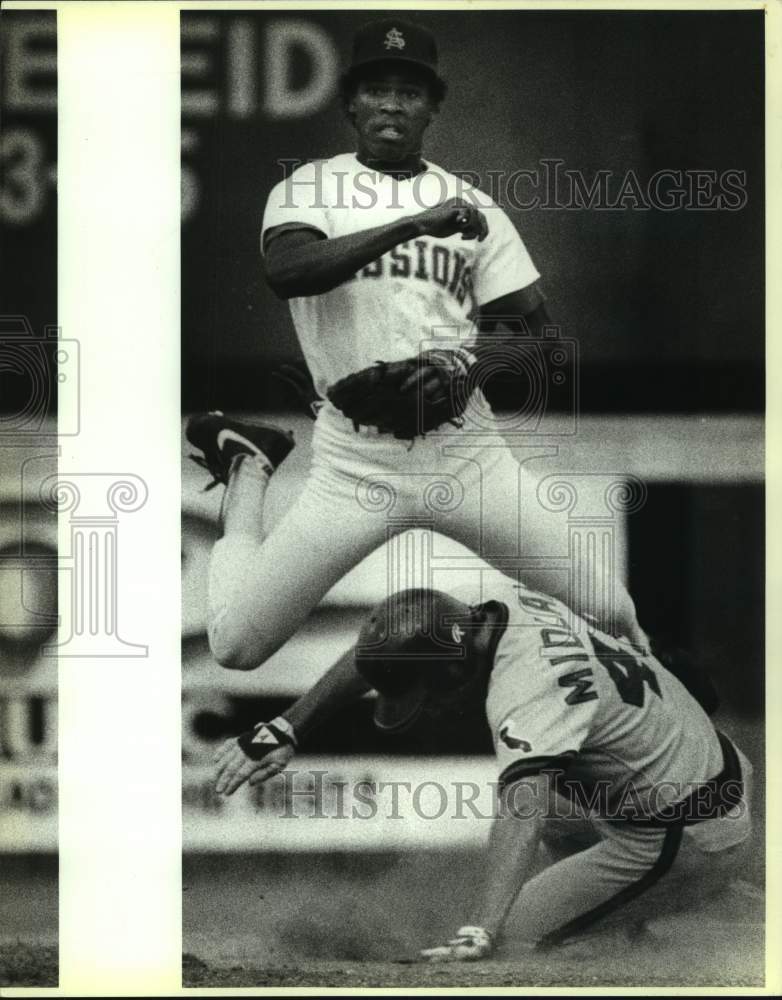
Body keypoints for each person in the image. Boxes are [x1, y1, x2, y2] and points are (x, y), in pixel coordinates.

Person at [186, 16, 646, 675]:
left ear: (433, 106)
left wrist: (470, 365)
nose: (392, 104)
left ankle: (675, 740)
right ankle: (250, 470)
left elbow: (543, 343)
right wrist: (409, 225)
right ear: (350, 103)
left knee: (612, 609)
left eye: (409, 91)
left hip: (466, 455)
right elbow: (287, 272)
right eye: (377, 89)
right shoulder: (312, 187)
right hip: (355, 461)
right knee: (235, 647)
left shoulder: (475, 206)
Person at [213, 576, 752, 957]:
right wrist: (286, 728)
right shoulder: (488, 607)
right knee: (553, 797)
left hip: (686, 826)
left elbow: (522, 815)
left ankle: (708, 908)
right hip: (690, 774)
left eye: (426, 690)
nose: (430, 704)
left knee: (514, 940)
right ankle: (656, 907)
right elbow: (381, 652)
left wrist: (481, 928)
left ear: (453, 664)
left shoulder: (526, 688)